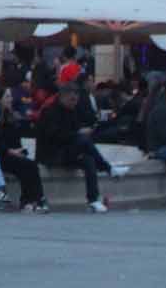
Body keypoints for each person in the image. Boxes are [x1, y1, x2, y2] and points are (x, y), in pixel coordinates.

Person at [37, 84, 113, 212]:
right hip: (52, 154)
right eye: (72, 100)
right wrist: (77, 134)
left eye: (76, 100)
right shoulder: (50, 112)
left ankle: (93, 200)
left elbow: (74, 130)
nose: (74, 103)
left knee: (89, 160)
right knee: (83, 139)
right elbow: (54, 136)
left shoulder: (72, 110)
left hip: (66, 151)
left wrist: (79, 133)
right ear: (62, 97)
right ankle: (108, 168)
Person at [0, 87, 47, 212]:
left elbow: (15, 140)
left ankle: (30, 200)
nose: (11, 99)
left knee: (29, 164)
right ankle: (35, 199)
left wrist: (20, 151)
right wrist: (10, 151)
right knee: (27, 165)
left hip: (11, 154)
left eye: (10, 96)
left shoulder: (11, 117)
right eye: (7, 97)